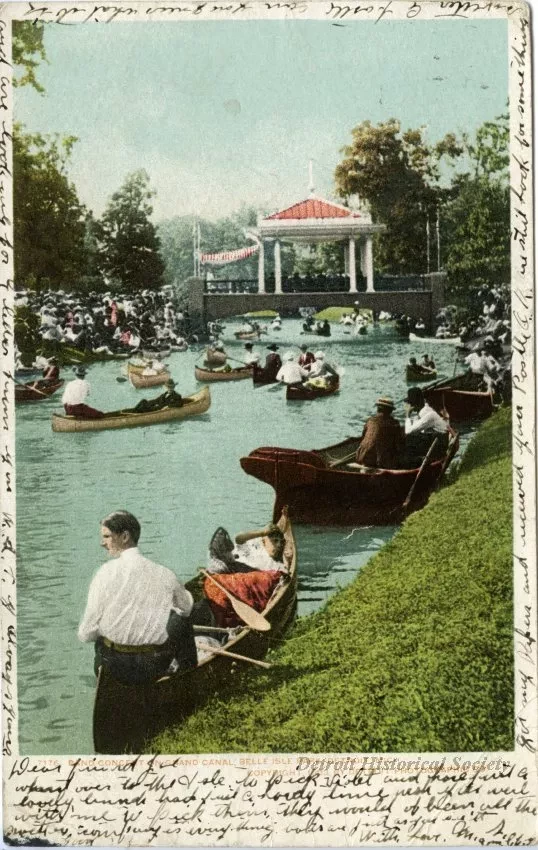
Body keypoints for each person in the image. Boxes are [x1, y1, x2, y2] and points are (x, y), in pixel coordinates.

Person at [78, 510, 196, 685]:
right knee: (182, 621)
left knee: (100, 638)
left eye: (107, 536)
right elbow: (186, 608)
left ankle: (112, 687)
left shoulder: (104, 573)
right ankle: (188, 679)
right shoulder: (165, 574)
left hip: (114, 667)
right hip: (151, 667)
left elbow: (85, 634)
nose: (102, 543)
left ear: (125, 536)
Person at [356, 396, 405, 469]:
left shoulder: (370, 420)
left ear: (378, 409)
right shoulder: (394, 423)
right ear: (390, 411)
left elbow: (363, 437)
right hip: (380, 460)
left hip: (361, 456)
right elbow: (398, 444)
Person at [404, 386, 450, 464]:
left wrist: (407, 415)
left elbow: (408, 431)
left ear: (414, 404)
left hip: (440, 447)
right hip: (437, 442)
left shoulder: (429, 415)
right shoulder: (424, 412)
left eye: (410, 403)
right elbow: (416, 426)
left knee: (408, 440)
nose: (409, 406)